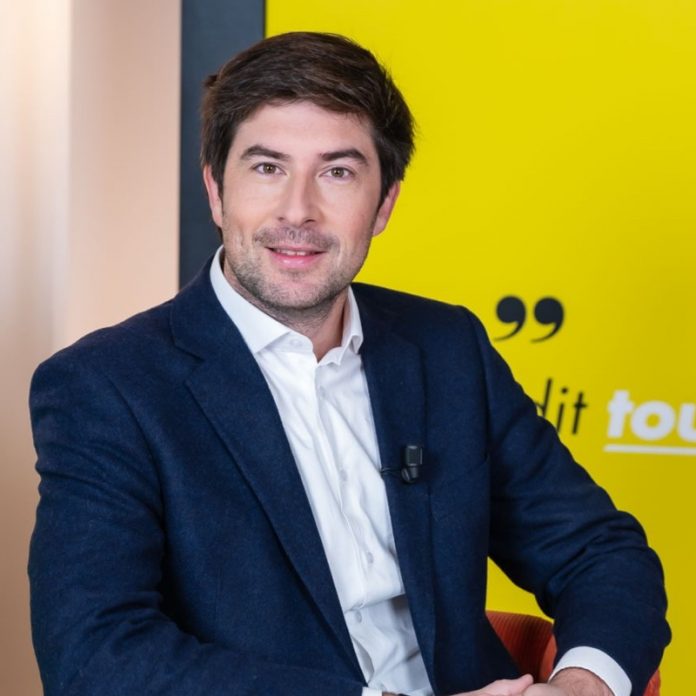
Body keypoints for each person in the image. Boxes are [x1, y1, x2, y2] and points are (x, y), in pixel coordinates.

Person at [28, 32, 669, 696]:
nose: (298, 211)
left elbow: (600, 553)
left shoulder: (447, 349)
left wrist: (579, 687)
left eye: (337, 172)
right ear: (216, 190)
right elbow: (96, 656)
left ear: (384, 203)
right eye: (267, 168)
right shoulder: (106, 386)